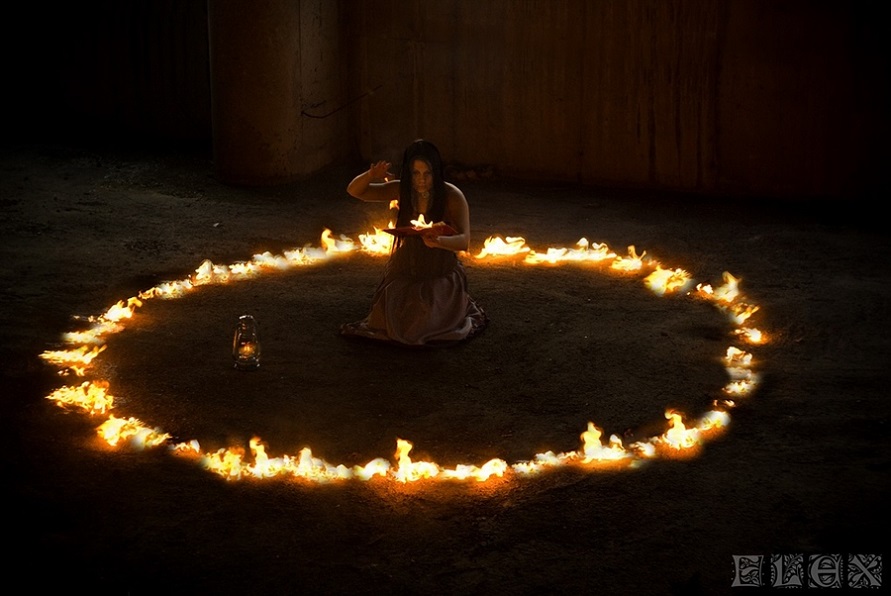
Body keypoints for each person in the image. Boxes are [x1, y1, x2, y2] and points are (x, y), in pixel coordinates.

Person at [340, 139, 488, 347]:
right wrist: (371, 175)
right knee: (391, 321)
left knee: (424, 325)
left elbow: (464, 241)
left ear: (436, 172)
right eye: (415, 174)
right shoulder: (402, 189)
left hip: (439, 270)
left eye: (427, 174)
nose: (421, 180)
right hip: (406, 268)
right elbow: (355, 191)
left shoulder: (452, 196)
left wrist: (439, 242)